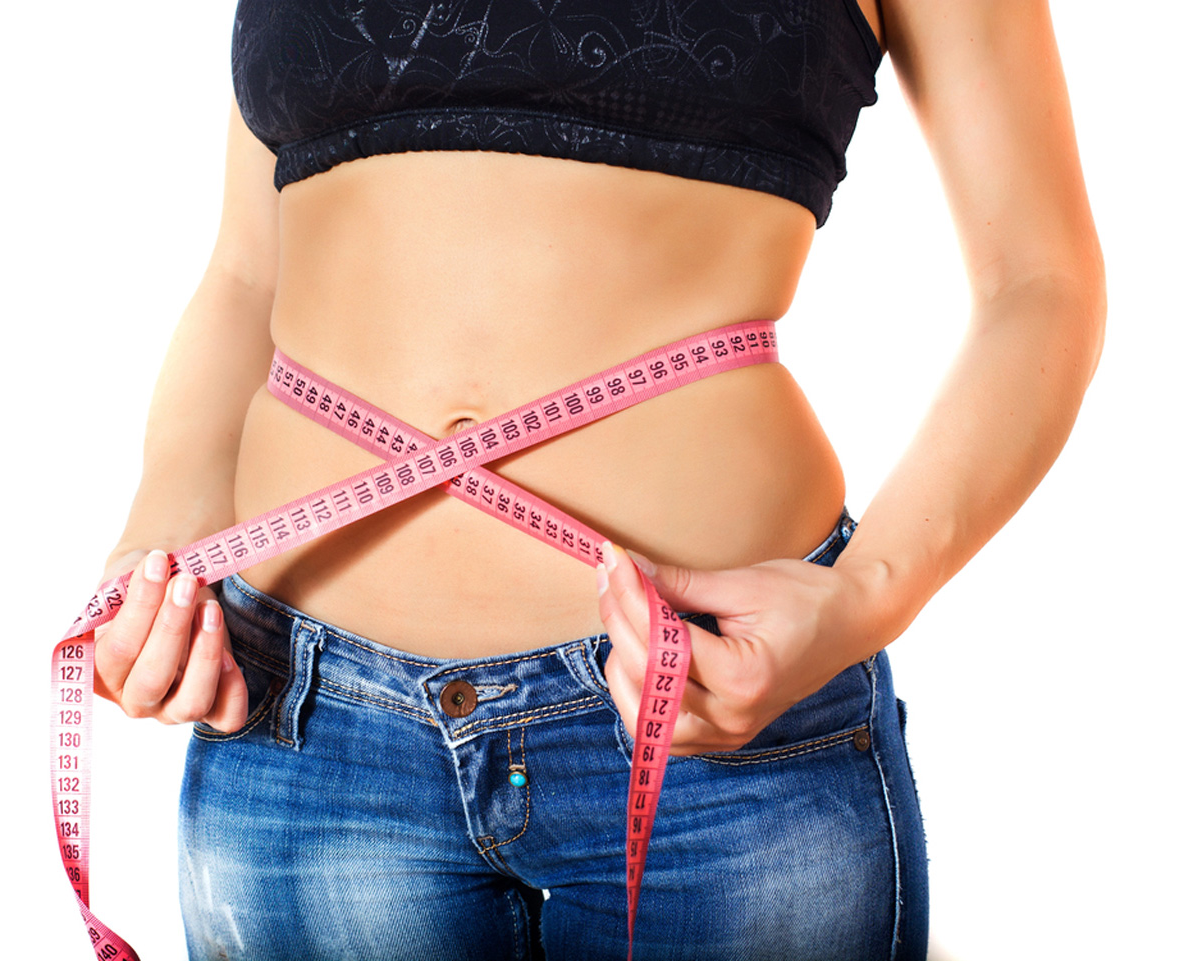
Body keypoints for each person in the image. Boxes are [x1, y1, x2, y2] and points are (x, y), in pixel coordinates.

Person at [90, 1, 1104, 958]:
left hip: (714, 711)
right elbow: (245, 276)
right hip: (303, 719)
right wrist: (158, 542)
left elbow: (1039, 284)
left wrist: (868, 595)